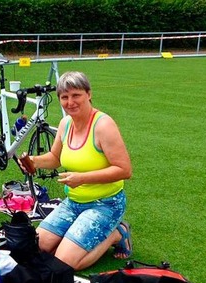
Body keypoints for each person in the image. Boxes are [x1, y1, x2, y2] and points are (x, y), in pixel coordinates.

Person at [20, 71, 133, 271]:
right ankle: (75, 237)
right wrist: (34, 161)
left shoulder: (103, 125)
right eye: (64, 97)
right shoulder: (65, 124)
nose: (70, 102)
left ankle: (117, 234)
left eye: (76, 95)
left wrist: (83, 178)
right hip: (73, 202)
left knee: (63, 263)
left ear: (88, 94)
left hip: (105, 204)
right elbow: (55, 158)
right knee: (40, 247)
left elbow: (124, 170)